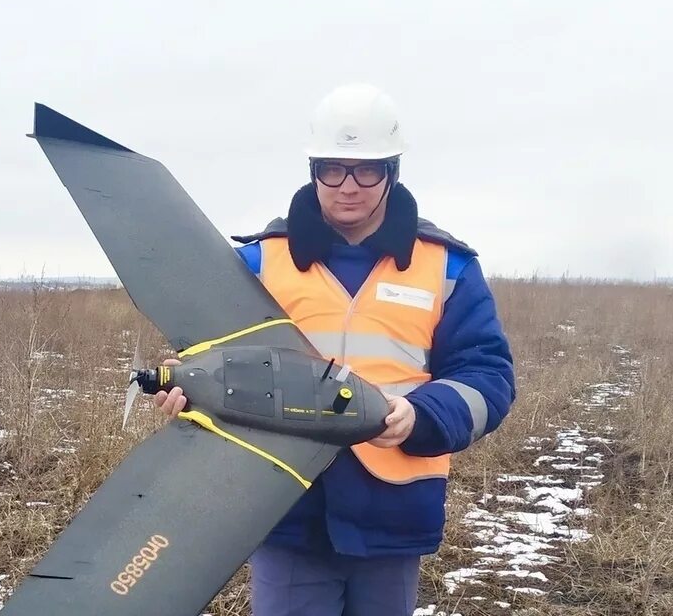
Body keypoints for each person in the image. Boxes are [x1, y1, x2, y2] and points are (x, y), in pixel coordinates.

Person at [155, 83, 516, 616]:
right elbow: (223, 366)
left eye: (366, 169)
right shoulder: (255, 265)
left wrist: (421, 415)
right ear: (312, 169)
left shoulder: (447, 267)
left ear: (392, 171)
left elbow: (487, 376)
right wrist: (187, 386)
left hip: (393, 511)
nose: (349, 186)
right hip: (283, 508)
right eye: (333, 168)